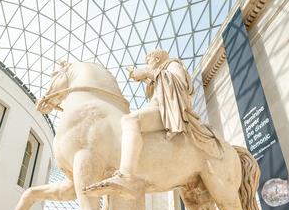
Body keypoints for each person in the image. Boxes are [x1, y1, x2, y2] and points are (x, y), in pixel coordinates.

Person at [83, 48, 224, 198]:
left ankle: (126, 175)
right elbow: (162, 82)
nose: (147, 64)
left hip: (168, 113)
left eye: (148, 60)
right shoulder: (157, 76)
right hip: (160, 112)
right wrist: (146, 78)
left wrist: (147, 73)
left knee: (131, 119)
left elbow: (179, 82)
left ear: (156, 59)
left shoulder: (172, 64)